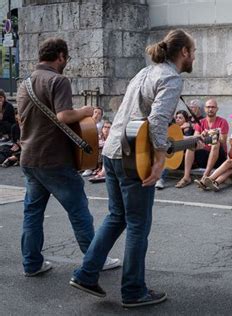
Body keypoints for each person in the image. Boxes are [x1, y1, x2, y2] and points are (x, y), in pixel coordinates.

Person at [70, 29, 196, 307]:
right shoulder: (171, 77)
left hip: (114, 151)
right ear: (184, 52)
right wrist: (160, 159)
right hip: (134, 158)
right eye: (193, 51)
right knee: (138, 224)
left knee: (117, 217)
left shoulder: (145, 72)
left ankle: (86, 274)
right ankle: (133, 290)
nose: (194, 56)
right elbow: (159, 119)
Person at [16, 38, 120, 278]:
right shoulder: (57, 80)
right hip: (54, 159)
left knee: (32, 213)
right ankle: (95, 260)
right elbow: (63, 116)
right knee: (79, 210)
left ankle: (31, 264)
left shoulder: (25, 84)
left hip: (29, 157)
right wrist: (84, 111)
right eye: (67, 58)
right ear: (60, 56)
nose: (66, 63)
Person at [175, 98, 229, 188]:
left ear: (217, 109)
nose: (210, 109)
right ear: (205, 108)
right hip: (204, 156)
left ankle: (205, 176)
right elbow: (195, 138)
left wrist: (213, 133)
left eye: (213, 107)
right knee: (191, 145)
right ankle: (186, 177)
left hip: (219, 157)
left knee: (216, 143)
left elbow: (223, 140)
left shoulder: (222, 122)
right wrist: (201, 135)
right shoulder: (200, 122)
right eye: (208, 107)